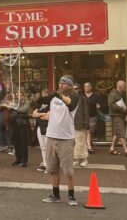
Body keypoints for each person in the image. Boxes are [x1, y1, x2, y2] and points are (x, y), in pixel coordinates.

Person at [42, 75, 79, 206]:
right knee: (53, 169)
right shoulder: (53, 98)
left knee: (68, 170)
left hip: (66, 139)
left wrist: (59, 96)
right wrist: (36, 97)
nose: (60, 85)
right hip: (51, 136)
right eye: (59, 82)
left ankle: (71, 196)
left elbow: (71, 104)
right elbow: (41, 104)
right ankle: (55, 195)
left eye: (64, 83)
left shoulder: (74, 98)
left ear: (70, 86)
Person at [108, 80, 127, 157]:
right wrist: (122, 109)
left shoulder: (123, 94)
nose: (125, 87)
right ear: (120, 87)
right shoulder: (112, 94)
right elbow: (111, 105)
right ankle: (126, 150)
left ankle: (112, 148)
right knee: (121, 131)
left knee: (117, 132)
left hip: (122, 116)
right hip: (116, 116)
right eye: (124, 86)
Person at [8, 91, 30, 167]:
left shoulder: (27, 102)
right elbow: (8, 107)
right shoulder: (15, 102)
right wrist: (13, 105)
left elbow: (24, 110)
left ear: (23, 95)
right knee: (16, 143)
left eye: (20, 95)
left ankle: (24, 161)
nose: (18, 96)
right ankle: (18, 159)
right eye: (17, 95)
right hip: (15, 124)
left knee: (23, 143)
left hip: (22, 125)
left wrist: (15, 108)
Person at [32, 88, 51, 172]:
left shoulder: (51, 104)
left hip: (48, 127)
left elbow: (49, 116)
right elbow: (34, 114)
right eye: (43, 94)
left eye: (46, 94)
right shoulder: (39, 104)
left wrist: (39, 114)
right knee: (43, 147)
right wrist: (42, 114)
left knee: (48, 147)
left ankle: (49, 165)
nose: (44, 96)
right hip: (40, 126)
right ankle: (45, 163)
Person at [72, 83, 89, 167]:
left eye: (75, 88)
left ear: (79, 89)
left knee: (81, 142)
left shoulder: (82, 98)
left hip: (80, 123)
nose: (74, 90)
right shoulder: (69, 98)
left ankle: (84, 159)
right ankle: (75, 159)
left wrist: (86, 123)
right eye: (72, 88)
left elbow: (86, 111)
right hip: (71, 124)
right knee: (73, 143)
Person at [83, 82, 99, 153]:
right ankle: (89, 146)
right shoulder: (82, 95)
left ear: (90, 87)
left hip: (93, 116)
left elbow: (94, 103)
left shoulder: (95, 95)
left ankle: (89, 143)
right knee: (88, 131)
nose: (86, 88)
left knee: (91, 131)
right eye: (85, 86)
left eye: (87, 86)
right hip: (84, 116)